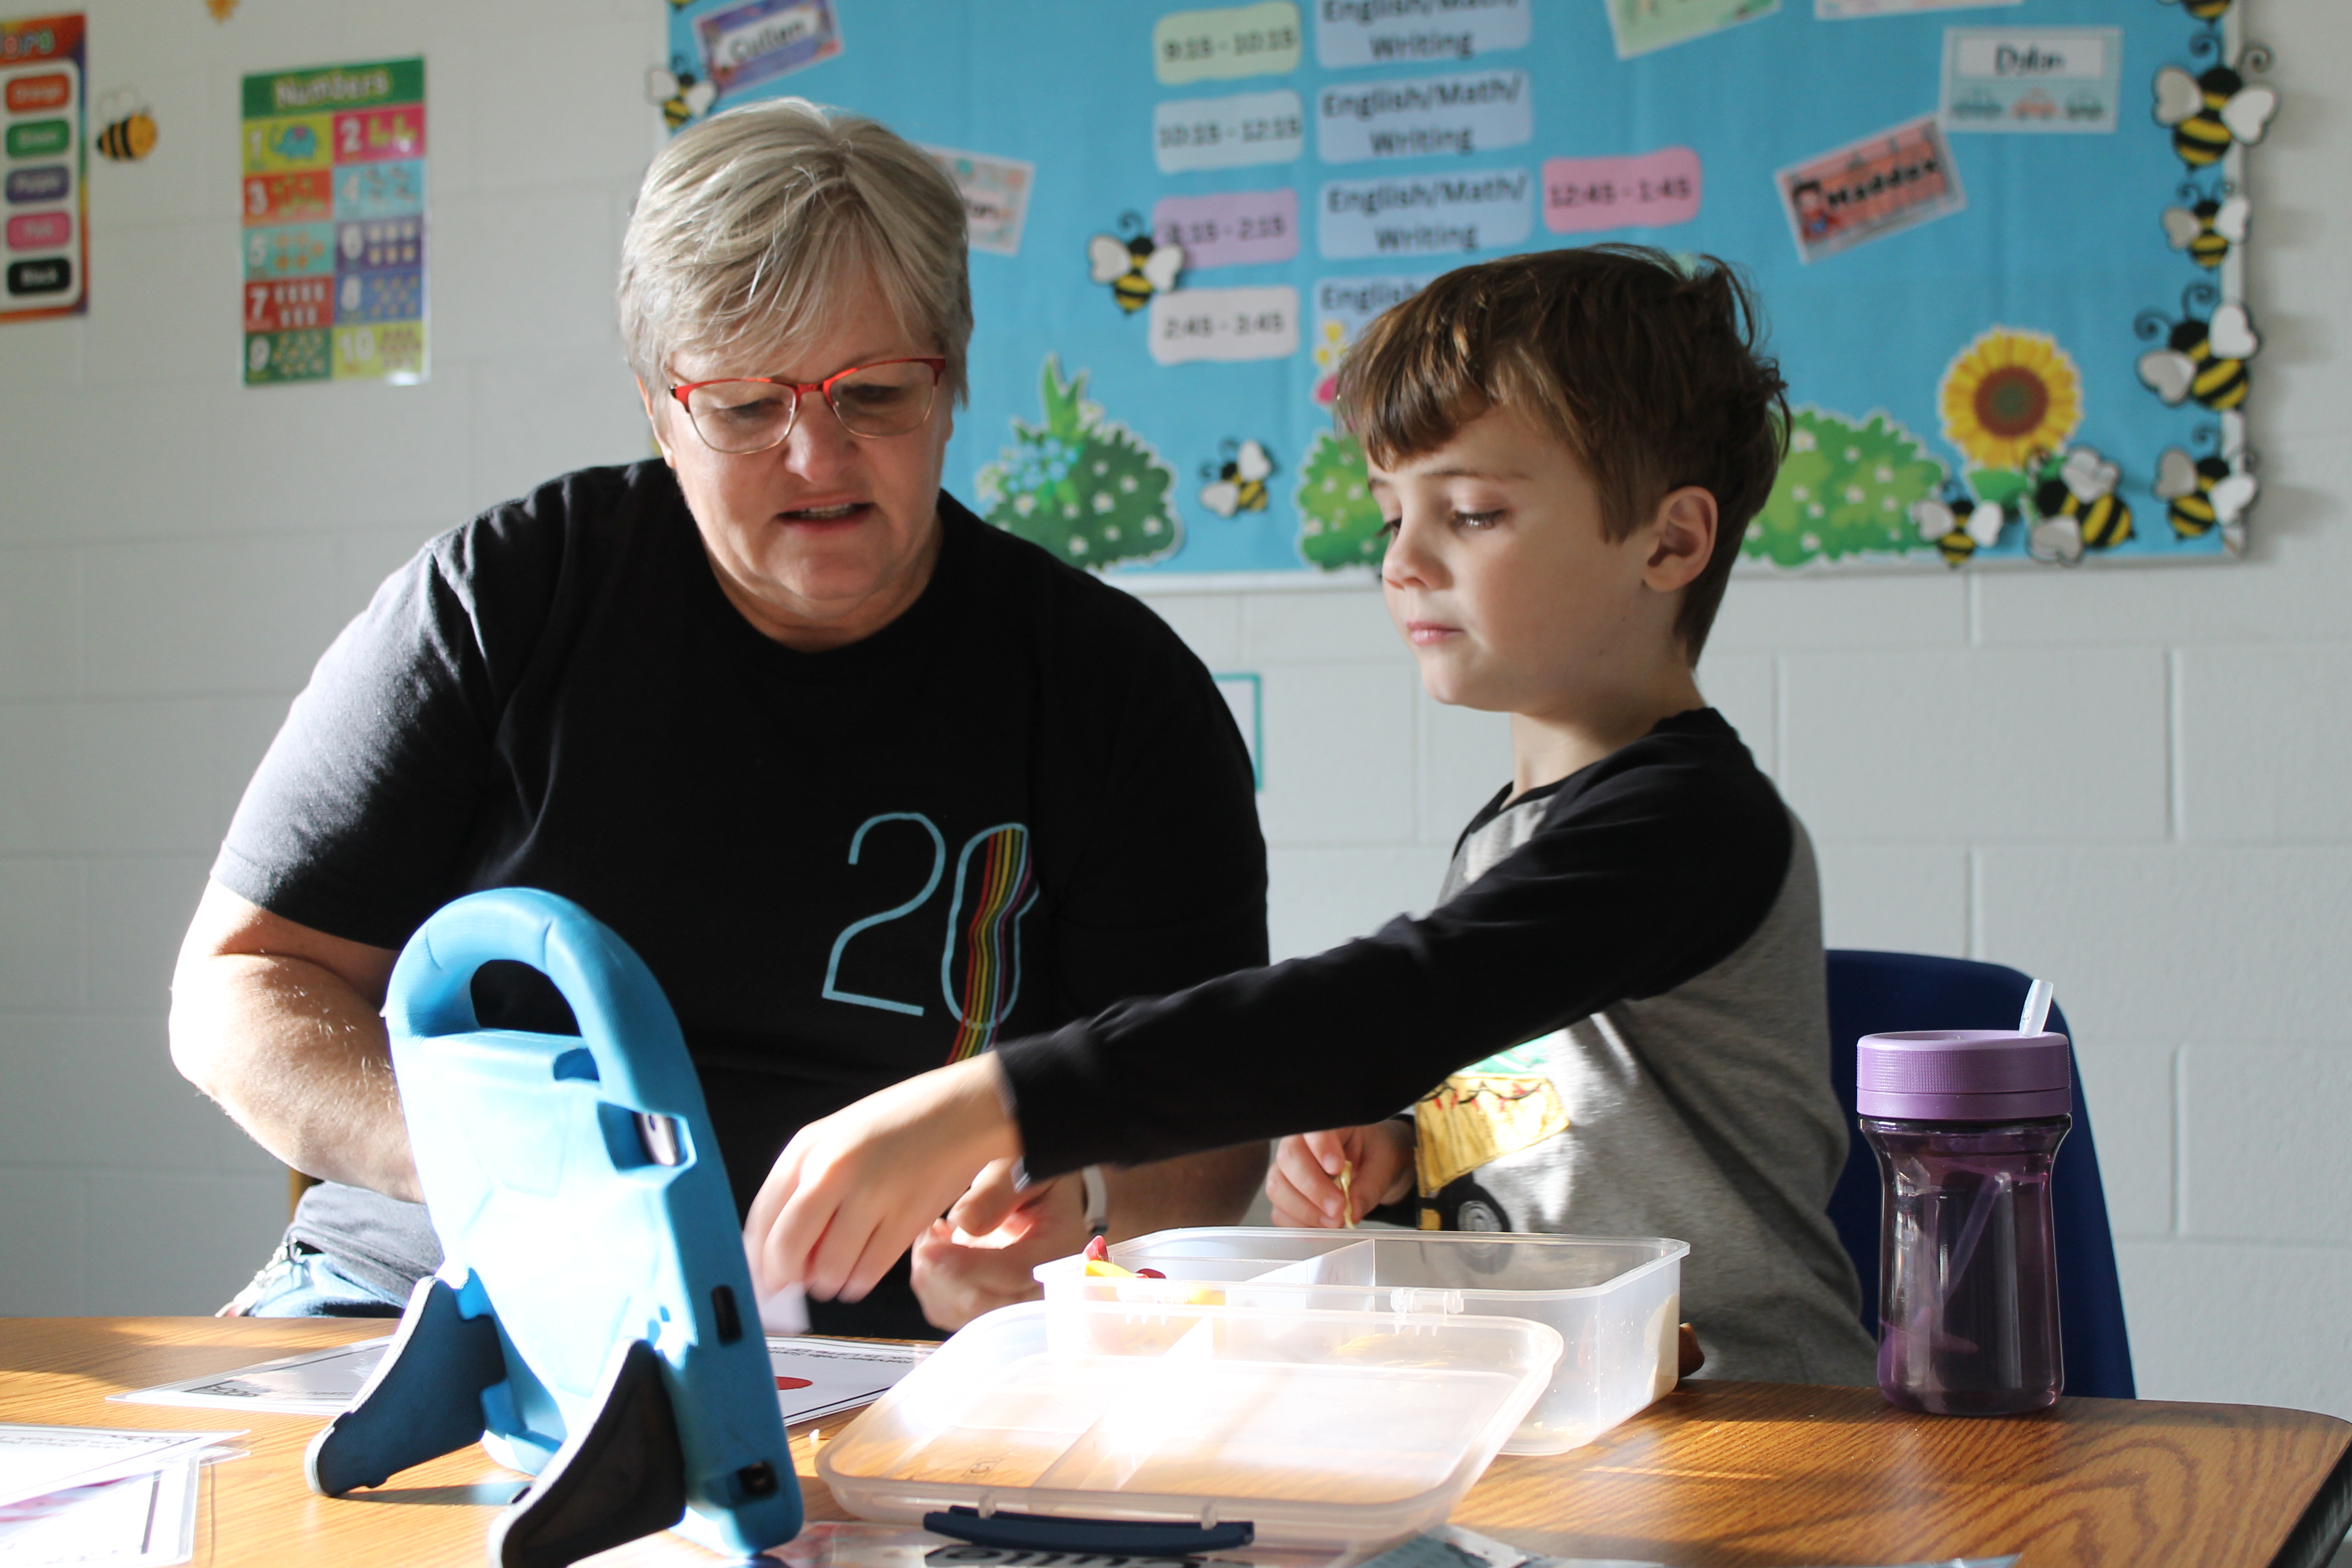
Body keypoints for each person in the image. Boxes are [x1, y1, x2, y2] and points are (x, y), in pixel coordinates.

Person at [167, 99, 1270, 1339]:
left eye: (877, 393)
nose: (818, 456)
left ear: (952, 379)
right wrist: (477, 1157)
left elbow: (1211, 1102)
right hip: (431, 1292)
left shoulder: (1118, 694)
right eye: (747, 408)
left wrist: (1093, 1211)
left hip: (888, 1350)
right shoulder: (504, 601)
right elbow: (242, 987)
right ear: (660, 408)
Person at [740, 246, 1880, 1385]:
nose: (1403, 561)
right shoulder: (1511, 834)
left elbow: (1399, 1000)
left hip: (1756, 1424)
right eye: (1393, 514)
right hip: (1564, 1414)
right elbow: (1517, 1088)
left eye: (1473, 513)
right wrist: (1397, 1144)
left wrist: (1003, 1102)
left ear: (1670, 542)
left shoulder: (1693, 826)